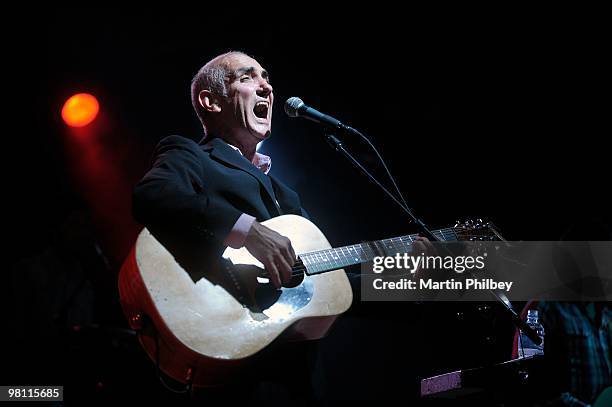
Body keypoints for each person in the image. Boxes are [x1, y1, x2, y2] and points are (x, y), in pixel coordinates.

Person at [132, 51, 315, 403]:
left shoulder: (285, 195)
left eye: (266, 76)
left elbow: (326, 277)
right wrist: (245, 228)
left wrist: (407, 273)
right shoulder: (189, 154)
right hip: (229, 365)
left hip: (292, 378)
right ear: (210, 101)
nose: (266, 86)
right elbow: (152, 195)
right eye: (248, 78)